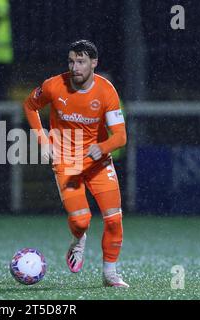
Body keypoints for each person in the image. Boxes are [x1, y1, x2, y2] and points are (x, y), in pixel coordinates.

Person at [23, 40, 129, 287]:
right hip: (66, 162)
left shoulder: (106, 91)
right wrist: (43, 140)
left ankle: (110, 274)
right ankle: (78, 240)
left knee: (113, 219)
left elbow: (121, 137)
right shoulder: (53, 85)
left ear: (94, 63)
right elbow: (30, 105)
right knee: (81, 221)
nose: (75, 66)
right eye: (71, 61)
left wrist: (101, 148)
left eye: (80, 61)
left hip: (98, 163)